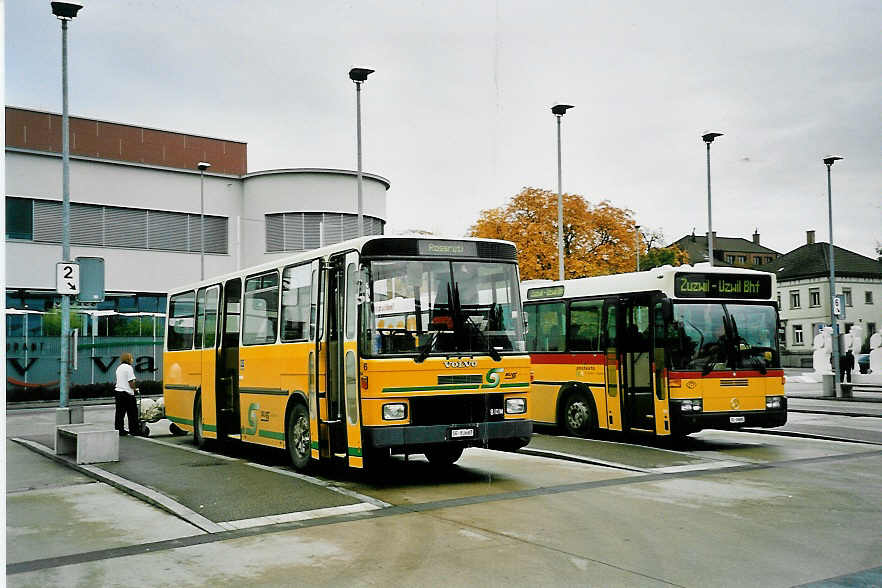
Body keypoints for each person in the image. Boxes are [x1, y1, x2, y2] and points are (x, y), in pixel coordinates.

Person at [114, 352, 140, 436]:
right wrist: (135, 389)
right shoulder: (129, 368)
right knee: (132, 413)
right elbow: (131, 382)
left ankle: (119, 430)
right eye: (131, 358)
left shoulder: (119, 368)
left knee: (119, 413)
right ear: (128, 359)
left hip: (118, 392)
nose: (132, 360)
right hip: (127, 393)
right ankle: (134, 430)